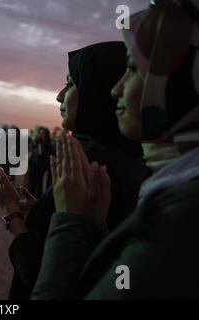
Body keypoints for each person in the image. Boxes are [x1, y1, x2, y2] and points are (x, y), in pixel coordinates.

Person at [31, 0, 199, 299]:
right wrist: (97, 232)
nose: (116, 90)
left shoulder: (180, 217)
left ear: (182, 83)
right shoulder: (168, 186)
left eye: (133, 70)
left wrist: (66, 222)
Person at [0, 41, 147, 300]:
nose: (60, 95)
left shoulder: (87, 159)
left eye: (72, 83)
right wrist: (40, 212)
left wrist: (11, 214)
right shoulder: (129, 156)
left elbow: (43, 279)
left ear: (99, 91)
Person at [29, 127, 52, 197]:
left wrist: (40, 154)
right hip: (34, 163)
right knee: (32, 180)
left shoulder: (48, 144)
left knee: (39, 182)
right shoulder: (38, 141)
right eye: (40, 133)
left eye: (42, 133)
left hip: (41, 165)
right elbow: (33, 149)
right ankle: (30, 194)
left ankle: (37, 196)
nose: (40, 134)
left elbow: (48, 155)